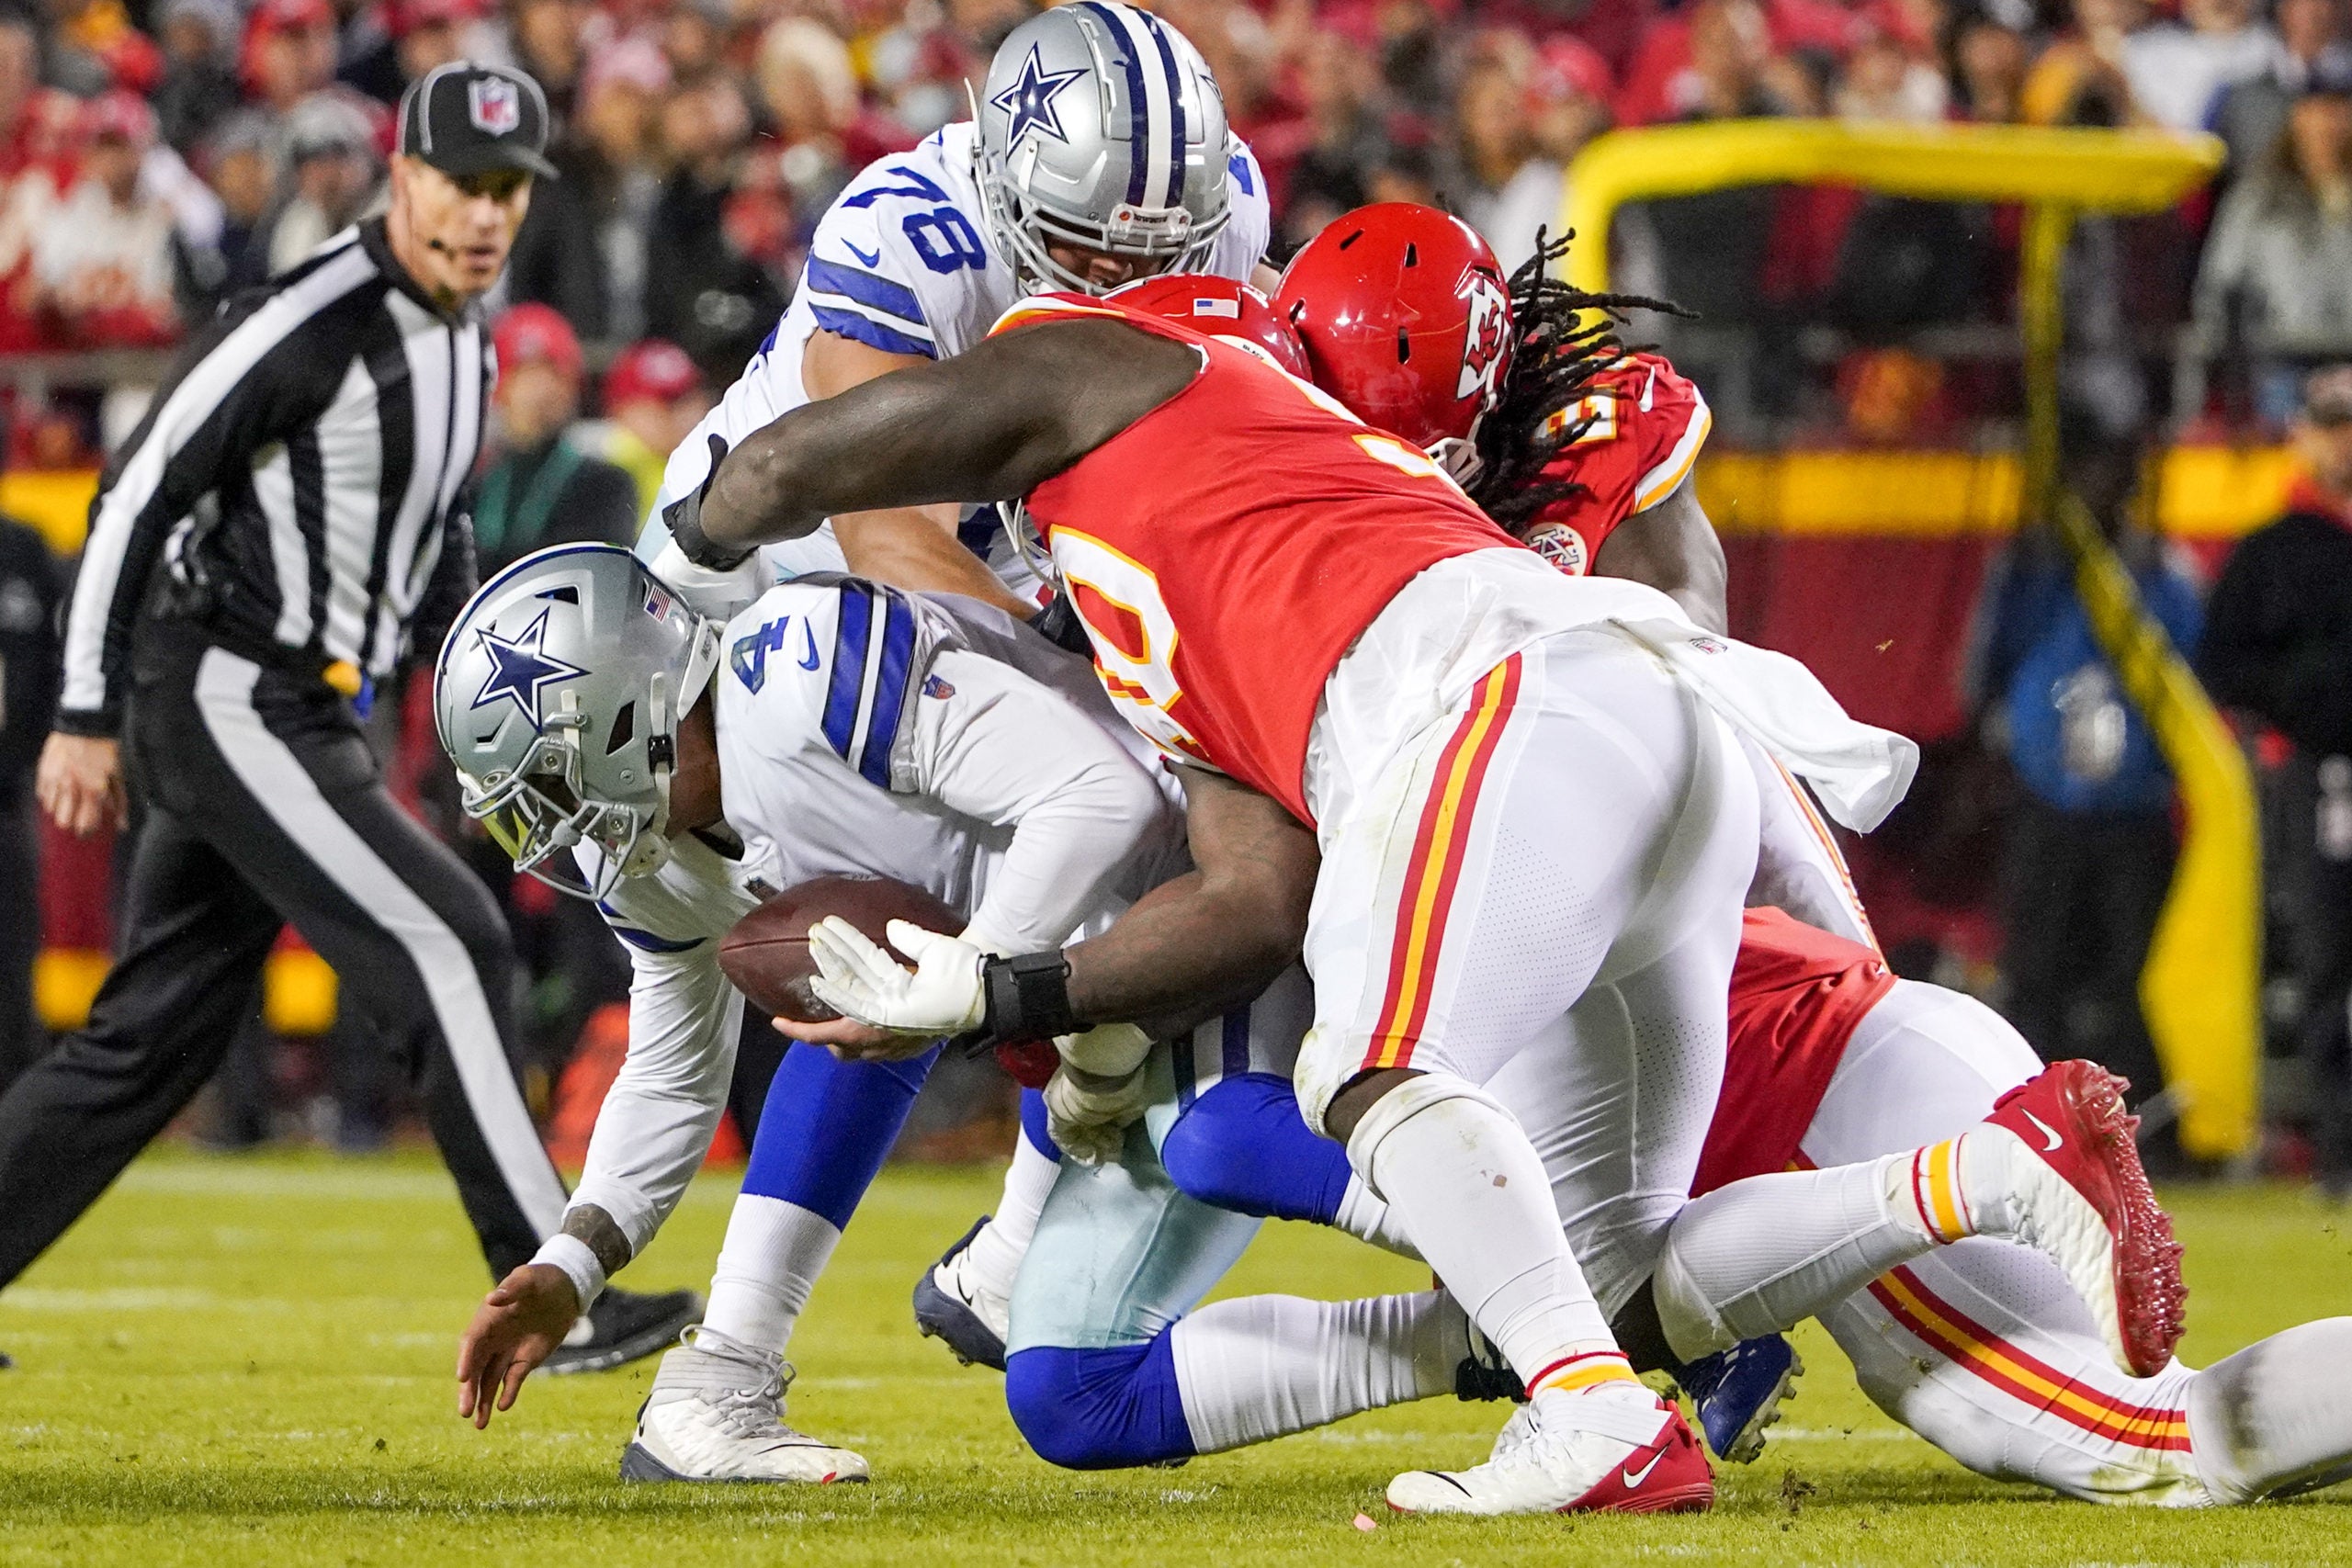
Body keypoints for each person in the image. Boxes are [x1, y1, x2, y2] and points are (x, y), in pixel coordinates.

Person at [660, 279, 2114, 1517]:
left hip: (1511, 706)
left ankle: (1594, 1414)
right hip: (1628, 716)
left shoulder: (1113, 366)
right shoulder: (1187, 589)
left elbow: (789, 463)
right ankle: (1983, 1173)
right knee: (1609, 1269)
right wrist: (1008, 995)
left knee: (1367, 1068)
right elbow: (1249, 896)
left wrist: (694, 540)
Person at [4, 62, 694, 1373]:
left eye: (507, 190)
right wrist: (83, 710)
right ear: (404, 178)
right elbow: (134, 492)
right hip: (229, 688)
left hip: (303, 707)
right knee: (455, 941)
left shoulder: (469, 334)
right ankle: (553, 1290)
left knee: (147, 1043)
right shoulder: (305, 318)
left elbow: (433, 535)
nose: (485, 214)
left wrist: (478, 701)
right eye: (462, 183)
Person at [434, 543, 1194, 1479]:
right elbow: (671, 1075)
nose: (560, 826)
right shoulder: (651, 853)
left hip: (1180, 846)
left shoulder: (804, 676)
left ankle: (1007, 1258)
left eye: (555, 783)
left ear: (623, 714)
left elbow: (1097, 799)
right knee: (880, 977)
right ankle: (729, 1378)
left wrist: (967, 984)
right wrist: (573, 1262)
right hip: (1106, 961)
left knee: (1230, 1122)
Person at [637, 0, 1272, 628]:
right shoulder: (912, 240)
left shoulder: (1228, 211)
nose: (1120, 273)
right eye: (1080, 240)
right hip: (774, 569)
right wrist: (1090, 666)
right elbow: (892, 547)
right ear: (1002, 186)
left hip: (1008, 572)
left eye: (1155, 249)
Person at [1966, 424, 2200, 1149]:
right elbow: (1982, 675)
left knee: (2139, 975)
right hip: (2048, 802)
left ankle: (2150, 1133)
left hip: (2135, 806)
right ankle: (2029, 1128)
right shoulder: (2029, 574)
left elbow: (2194, 687)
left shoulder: (2163, 574)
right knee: (2035, 970)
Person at [2200, 363, 2352, 1193]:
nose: (2345, 442)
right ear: (2304, 435)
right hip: (2318, 774)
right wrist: (2304, 700)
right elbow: (2225, 665)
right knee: (2327, 955)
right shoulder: (2273, 551)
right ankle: (2338, 1148)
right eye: (2333, 424)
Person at [476, 302, 640, 570]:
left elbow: (590, 570)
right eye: (525, 374)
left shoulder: (605, 485)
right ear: (500, 386)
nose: (542, 391)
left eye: (555, 374)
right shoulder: (478, 484)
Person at [0, 491, 59, 1090]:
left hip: (5, 799)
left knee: (11, 969)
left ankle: (14, 1116)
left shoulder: (22, 548)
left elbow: (58, 663)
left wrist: (33, 751)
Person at [592, 337, 705, 516]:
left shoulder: (687, 462)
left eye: (689, 399)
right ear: (623, 407)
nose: (685, 415)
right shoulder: (603, 459)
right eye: (668, 402)